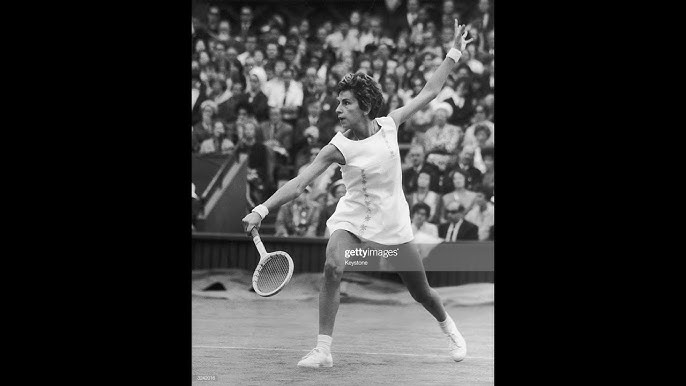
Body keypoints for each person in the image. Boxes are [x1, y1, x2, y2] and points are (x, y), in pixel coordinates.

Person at [242, 19, 472, 368]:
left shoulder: (391, 125)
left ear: (364, 105)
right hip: (351, 217)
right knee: (333, 266)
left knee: (420, 292)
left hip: (394, 222)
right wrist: (262, 209)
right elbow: (300, 183)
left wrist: (455, 51)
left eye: (345, 103)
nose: (337, 109)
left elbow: (429, 92)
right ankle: (323, 350)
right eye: (337, 103)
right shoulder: (336, 146)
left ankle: (448, 327)